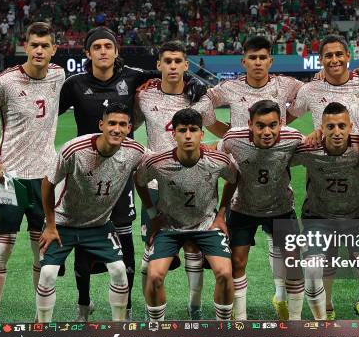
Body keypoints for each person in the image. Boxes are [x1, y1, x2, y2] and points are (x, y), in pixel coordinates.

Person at [58, 27, 207, 321]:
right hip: (83, 174)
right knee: (84, 240)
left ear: (116, 51)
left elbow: (169, 69)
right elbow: (50, 116)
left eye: (108, 46)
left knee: (125, 237)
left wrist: (194, 81)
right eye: (96, 47)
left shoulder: (132, 77)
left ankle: (124, 311)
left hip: (121, 170)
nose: (103, 51)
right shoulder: (74, 84)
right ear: (87, 53)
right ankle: (83, 305)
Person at [0, 22, 65, 337]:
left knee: (43, 255)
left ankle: (41, 323)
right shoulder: (5, 81)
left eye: (45, 45)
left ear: (54, 49)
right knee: (1, 250)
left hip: (45, 180)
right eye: (34, 44)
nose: (39, 50)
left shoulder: (59, 76)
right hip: (8, 178)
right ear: (26, 45)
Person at [195, 35, 304, 318]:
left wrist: (281, 127)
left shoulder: (287, 85)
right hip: (242, 175)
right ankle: (240, 320)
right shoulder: (229, 88)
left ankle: (286, 308)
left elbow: (312, 95)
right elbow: (204, 107)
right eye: (252, 58)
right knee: (238, 259)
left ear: (270, 60)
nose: (257, 62)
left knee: (287, 255)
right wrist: (224, 132)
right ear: (244, 61)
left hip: (276, 169)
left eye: (262, 57)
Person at [289, 34, 359, 320]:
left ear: (348, 56)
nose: (335, 60)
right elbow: (285, 117)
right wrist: (310, 135)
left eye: (340, 54)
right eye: (329, 56)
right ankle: (325, 308)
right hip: (322, 168)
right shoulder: (311, 89)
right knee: (323, 252)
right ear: (321, 59)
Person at [134, 40, 225, 319]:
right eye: (167, 61)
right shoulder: (144, 96)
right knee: (151, 255)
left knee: (195, 249)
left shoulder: (199, 97)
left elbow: (215, 127)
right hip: (155, 185)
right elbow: (127, 124)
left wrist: (238, 139)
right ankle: (149, 311)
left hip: (195, 182)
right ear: (159, 65)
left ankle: (194, 306)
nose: (173, 66)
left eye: (178, 62)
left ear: (186, 65)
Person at [37, 103, 145, 322]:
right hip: (63, 223)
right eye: (112, 123)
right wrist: (49, 226)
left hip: (99, 225)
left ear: (129, 128)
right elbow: (48, 184)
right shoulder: (74, 150)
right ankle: (43, 330)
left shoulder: (135, 152)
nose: (117, 129)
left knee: (118, 270)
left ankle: (119, 329)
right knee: (47, 273)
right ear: (101, 125)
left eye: (122, 125)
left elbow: (157, 163)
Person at [136, 109, 237, 321]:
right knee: (154, 276)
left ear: (202, 133)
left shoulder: (218, 160)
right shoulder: (158, 162)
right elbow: (139, 181)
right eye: (182, 130)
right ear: (174, 134)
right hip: (169, 228)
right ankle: (157, 329)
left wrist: (220, 215)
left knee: (225, 275)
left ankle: (223, 328)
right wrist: (153, 215)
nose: (188, 135)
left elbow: (234, 179)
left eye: (193, 130)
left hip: (206, 226)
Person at [218, 100, 304, 320]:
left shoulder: (293, 138)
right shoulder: (233, 140)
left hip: (281, 207)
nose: (267, 131)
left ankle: (295, 322)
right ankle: (241, 319)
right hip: (243, 207)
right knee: (237, 263)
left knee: (293, 264)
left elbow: (313, 149)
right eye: (261, 125)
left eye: (273, 125)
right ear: (250, 124)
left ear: (281, 124)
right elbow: (216, 156)